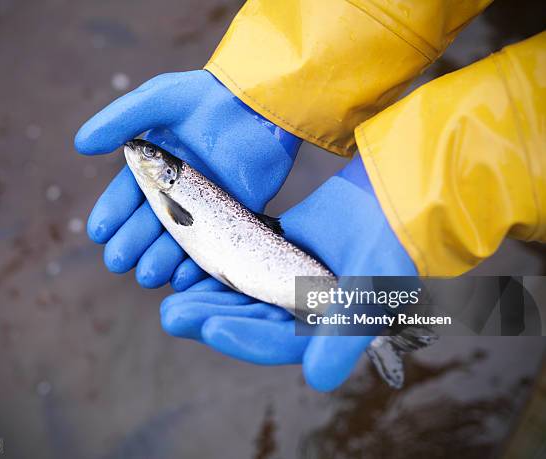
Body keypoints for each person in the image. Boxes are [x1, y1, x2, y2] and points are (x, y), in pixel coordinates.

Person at [75, 1, 545, 391]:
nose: (138, 155)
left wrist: (430, 186)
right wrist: (274, 84)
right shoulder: (166, 183)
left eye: (146, 154)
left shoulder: (169, 189)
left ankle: (419, 331)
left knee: (520, 303)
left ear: (166, 173)